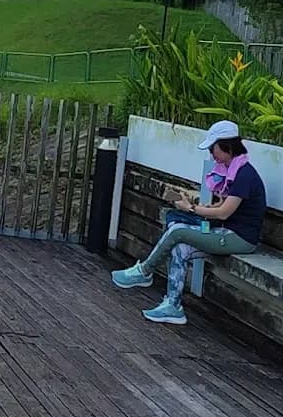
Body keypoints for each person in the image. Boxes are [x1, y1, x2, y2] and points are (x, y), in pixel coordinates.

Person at [111, 119, 266, 326]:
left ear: (227, 146)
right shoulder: (233, 170)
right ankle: (173, 306)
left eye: (214, 149)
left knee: (178, 231)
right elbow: (221, 207)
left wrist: (190, 209)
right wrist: (194, 204)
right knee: (181, 247)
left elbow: (223, 214)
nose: (212, 155)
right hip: (226, 232)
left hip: (239, 238)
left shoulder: (245, 174)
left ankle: (144, 271)